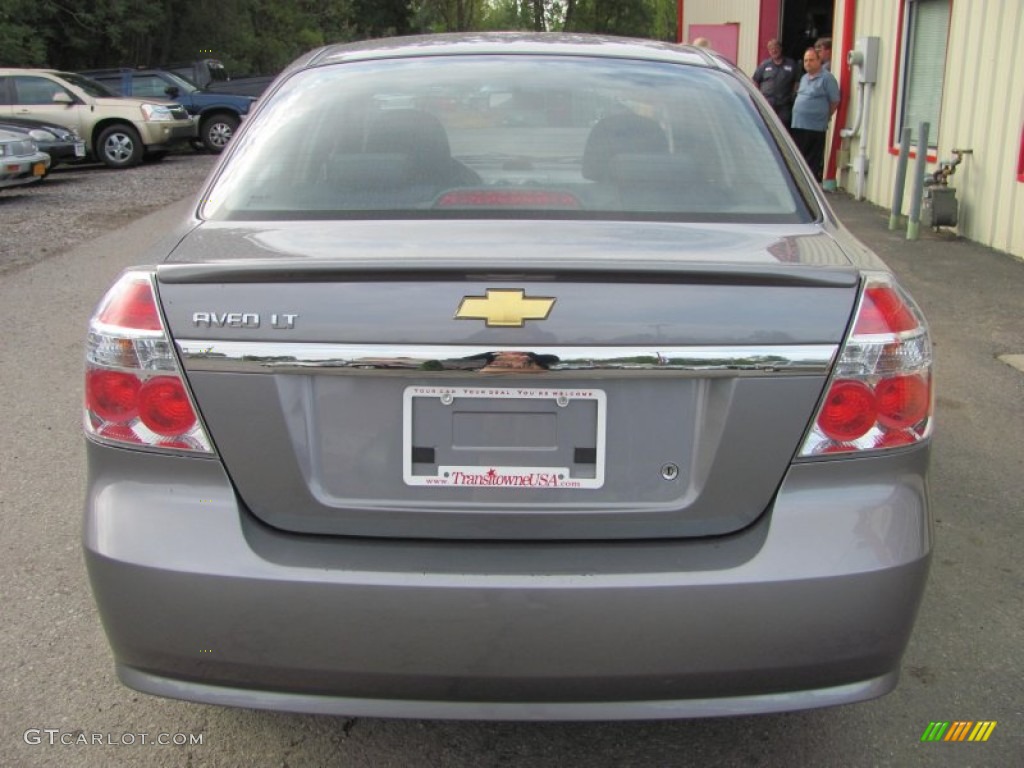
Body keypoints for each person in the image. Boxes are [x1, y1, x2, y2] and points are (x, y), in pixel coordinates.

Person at [791, 47, 840, 182]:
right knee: (799, 155)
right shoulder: (804, 78)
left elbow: (835, 101)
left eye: (811, 60)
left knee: (812, 158)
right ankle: (800, 182)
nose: (808, 63)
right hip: (798, 123)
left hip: (815, 126)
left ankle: (810, 184)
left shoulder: (827, 78)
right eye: (806, 60)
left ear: (819, 61)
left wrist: (825, 115)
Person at [752, 39, 800, 128]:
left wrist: (793, 96)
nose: (774, 50)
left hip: (784, 105)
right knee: (766, 128)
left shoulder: (791, 64)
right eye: (771, 49)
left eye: (776, 48)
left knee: (783, 129)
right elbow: (755, 81)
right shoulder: (764, 65)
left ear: (781, 48)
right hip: (767, 104)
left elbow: (797, 82)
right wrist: (758, 97)